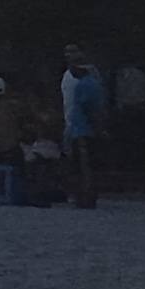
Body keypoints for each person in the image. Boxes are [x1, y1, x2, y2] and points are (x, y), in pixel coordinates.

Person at [60, 44, 106, 207]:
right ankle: (84, 196)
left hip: (82, 130)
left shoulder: (86, 85)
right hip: (79, 128)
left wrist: (98, 128)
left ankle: (85, 197)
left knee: (84, 166)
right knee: (83, 165)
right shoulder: (89, 83)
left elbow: (91, 110)